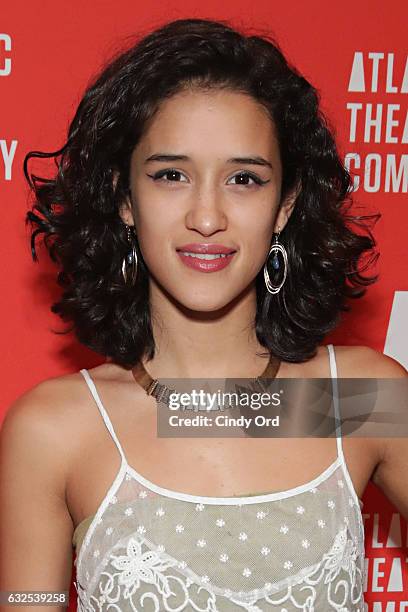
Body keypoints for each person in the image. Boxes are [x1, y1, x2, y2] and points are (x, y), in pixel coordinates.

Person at [1, 17, 407, 612]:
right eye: (171, 175)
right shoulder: (59, 428)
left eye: (244, 179)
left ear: (285, 204)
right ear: (123, 197)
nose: (208, 216)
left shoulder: (354, 400)